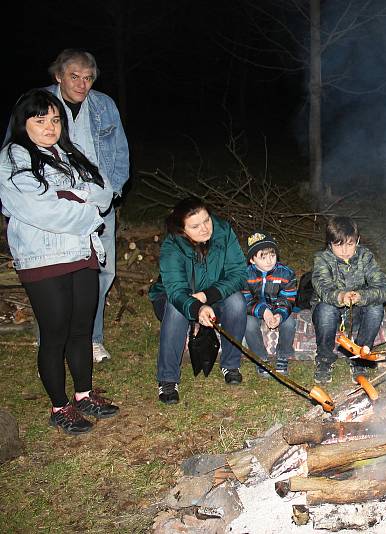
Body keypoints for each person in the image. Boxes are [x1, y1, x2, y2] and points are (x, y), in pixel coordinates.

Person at [0, 89, 119, 435]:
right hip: (43, 258)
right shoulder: (13, 157)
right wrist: (81, 203)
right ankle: (59, 405)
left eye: (55, 119)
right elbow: (37, 208)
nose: (50, 126)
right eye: (41, 120)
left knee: (81, 330)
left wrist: (73, 195)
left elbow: (103, 190)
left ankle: (83, 395)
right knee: (55, 334)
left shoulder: (69, 153)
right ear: (24, 123)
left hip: (83, 252)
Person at [45, 49, 129, 363]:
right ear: (58, 75)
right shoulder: (39, 104)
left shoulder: (103, 105)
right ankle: (54, 343)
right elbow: (14, 151)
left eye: (88, 77)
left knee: (102, 272)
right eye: (74, 76)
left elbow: (120, 151)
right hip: (54, 206)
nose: (82, 84)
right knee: (56, 276)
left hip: (97, 203)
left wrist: (113, 192)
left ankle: (92, 339)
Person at [148, 197, 248, 404]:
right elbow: (175, 291)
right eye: (195, 226)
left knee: (237, 301)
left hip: (213, 295)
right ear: (182, 230)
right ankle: (167, 379)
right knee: (176, 309)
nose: (205, 228)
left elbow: (238, 274)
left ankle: (231, 365)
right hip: (172, 299)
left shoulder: (223, 232)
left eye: (207, 220)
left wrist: (205, 297)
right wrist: (197, 307)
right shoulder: (172, 245)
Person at [312, 216, 386, 384]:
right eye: (338, 245)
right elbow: (322, 286)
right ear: (330, 244)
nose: (344, 251)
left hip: (357, 313)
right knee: (325, 309)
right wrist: (340, 296)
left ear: (358, 240)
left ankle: (359, 357)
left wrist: (362, 296)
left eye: (350, 244)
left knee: (376, 308)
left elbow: (385, 288)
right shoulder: (322, 259)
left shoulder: (365, 257)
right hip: (331, 316)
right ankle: (325, 359)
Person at [242, 231, 298, 376]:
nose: (269, 261)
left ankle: (283, 355)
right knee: (248, 324)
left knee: (289, 323)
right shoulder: (245, 275)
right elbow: (245, 299)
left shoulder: (286, 274)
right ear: (252, 260)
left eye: (272, 256)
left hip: (278, 308)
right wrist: (263, 311)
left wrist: (279, 315)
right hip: (255, 310)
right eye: (263, 257)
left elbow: (288, 298)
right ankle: (260, 357)